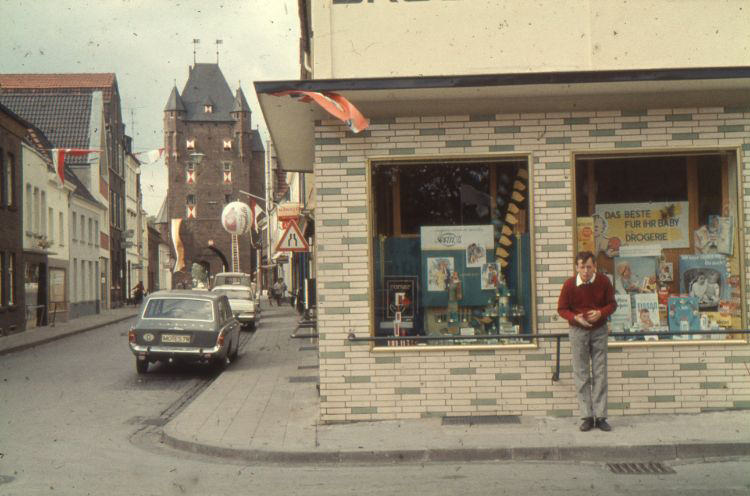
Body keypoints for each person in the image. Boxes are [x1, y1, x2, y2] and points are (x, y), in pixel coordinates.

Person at [558, 251, 617, 432]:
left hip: (599, 330)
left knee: (600, 373)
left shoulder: (603, 282)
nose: (585, 271)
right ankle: (586, 416)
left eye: (589, 267)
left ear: (595, 267)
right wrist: (575, 318)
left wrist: (601, 313)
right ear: (576, 267)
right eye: (582, 267)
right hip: (578, 331)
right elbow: (562, 309)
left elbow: (612, 304)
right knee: (581, 374)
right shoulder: (569, 285)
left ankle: (600, 416)